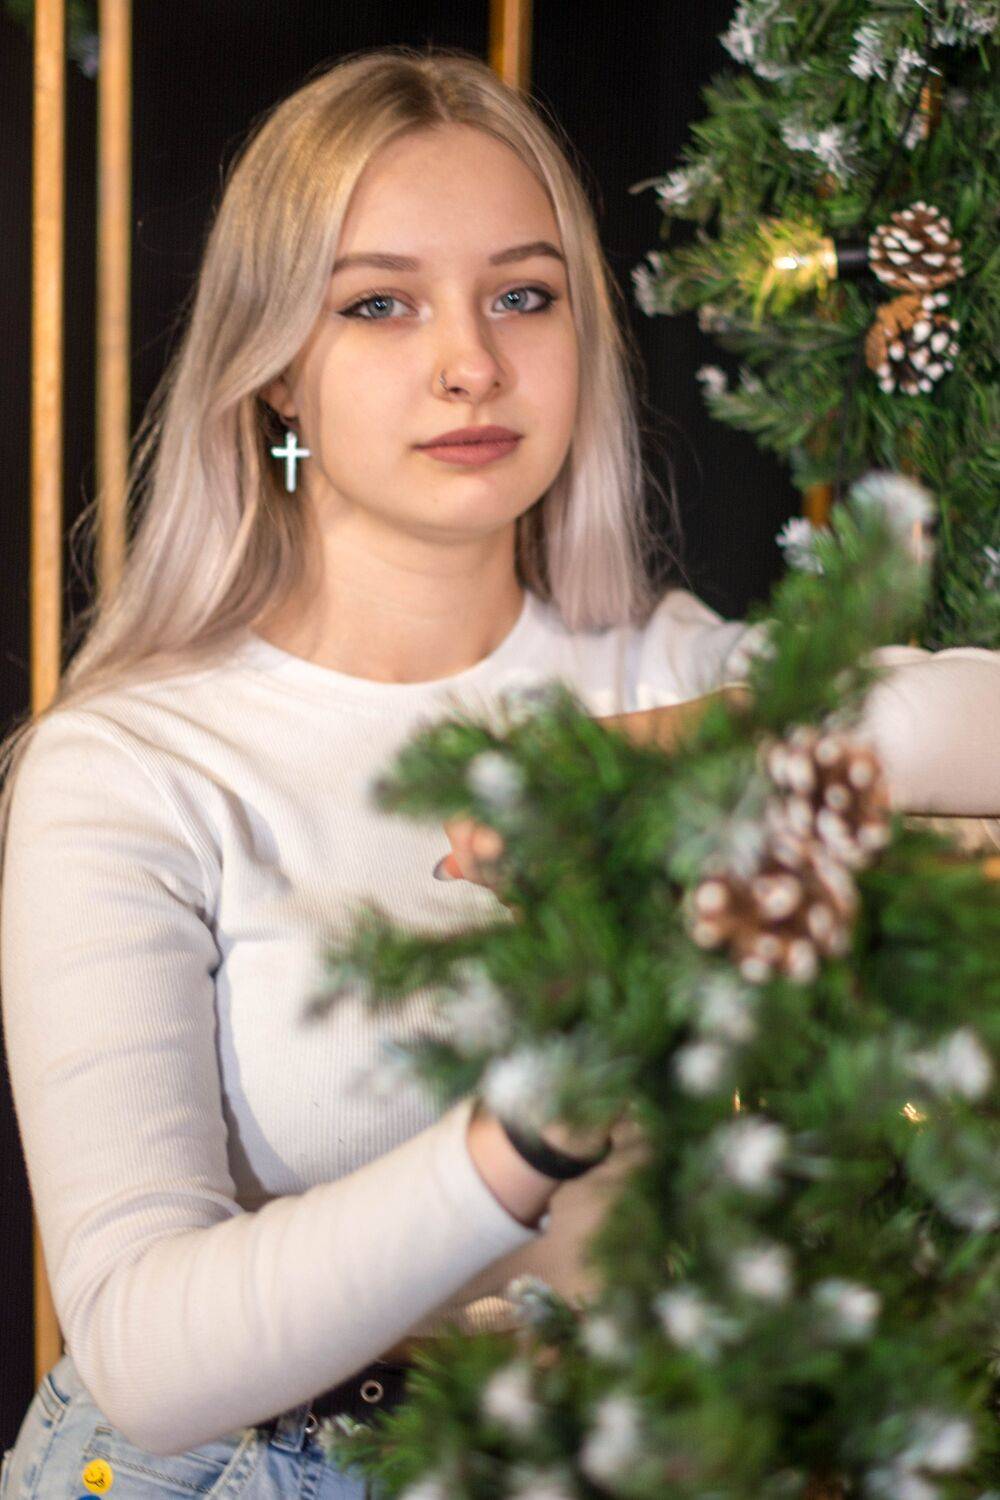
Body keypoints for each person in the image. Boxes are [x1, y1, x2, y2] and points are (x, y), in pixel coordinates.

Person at [1, 43, 998, 1499]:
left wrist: (716, 738)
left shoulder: (660, 675)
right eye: (379, 303)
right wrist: (523, 1136)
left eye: (523, 295)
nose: (470, 361)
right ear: (275, 375)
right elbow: (145, 1356)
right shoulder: (137, 766)